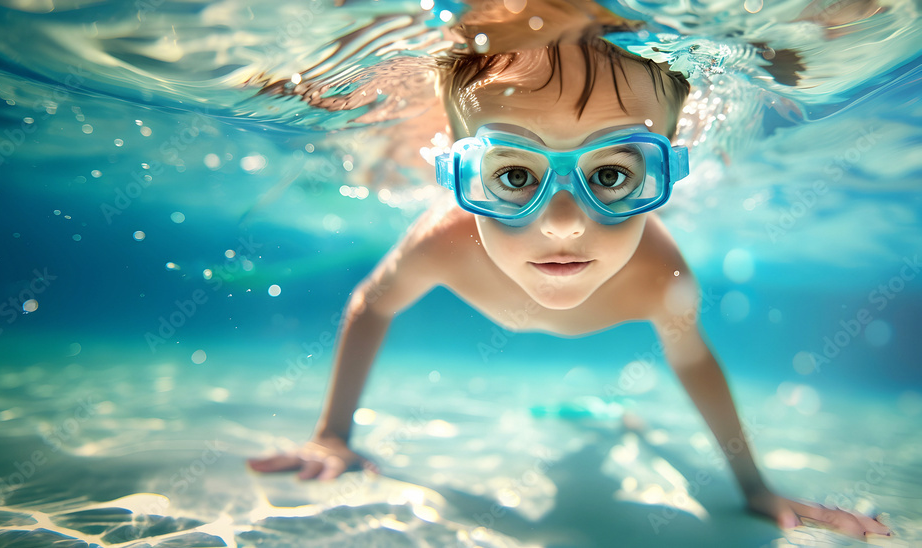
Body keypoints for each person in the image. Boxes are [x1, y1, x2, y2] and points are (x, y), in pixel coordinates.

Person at [250, 4, 891, 540]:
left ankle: (619, 424)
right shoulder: (442, 241)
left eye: (611, 175)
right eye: (514, 176)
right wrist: (331, 436)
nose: (562, 224)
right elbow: (373, 304)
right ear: (456, 174)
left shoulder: (660, 275)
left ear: (663, 175)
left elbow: (693, 360)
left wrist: (755, 488)